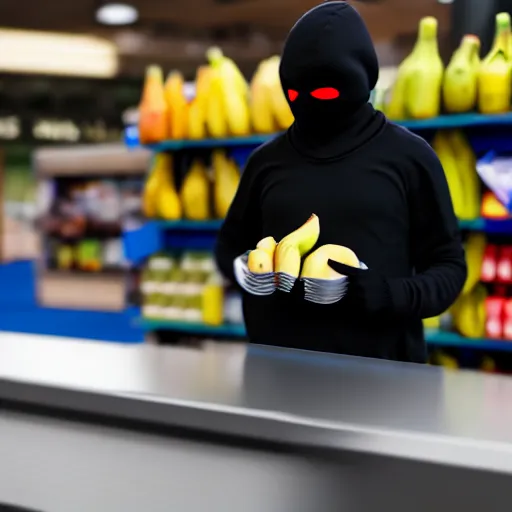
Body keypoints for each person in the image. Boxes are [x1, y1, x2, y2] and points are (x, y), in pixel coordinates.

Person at [214, 1, 467, 363]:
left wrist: (390, 295)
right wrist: (251, 274)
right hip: (276, 375)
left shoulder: (409, 157)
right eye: (295, 93)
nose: (307, 103)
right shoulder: (266, 162)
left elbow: (449, 267)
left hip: (381, 381)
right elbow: (229, 246)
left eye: (324, 93)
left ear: (361, 80)